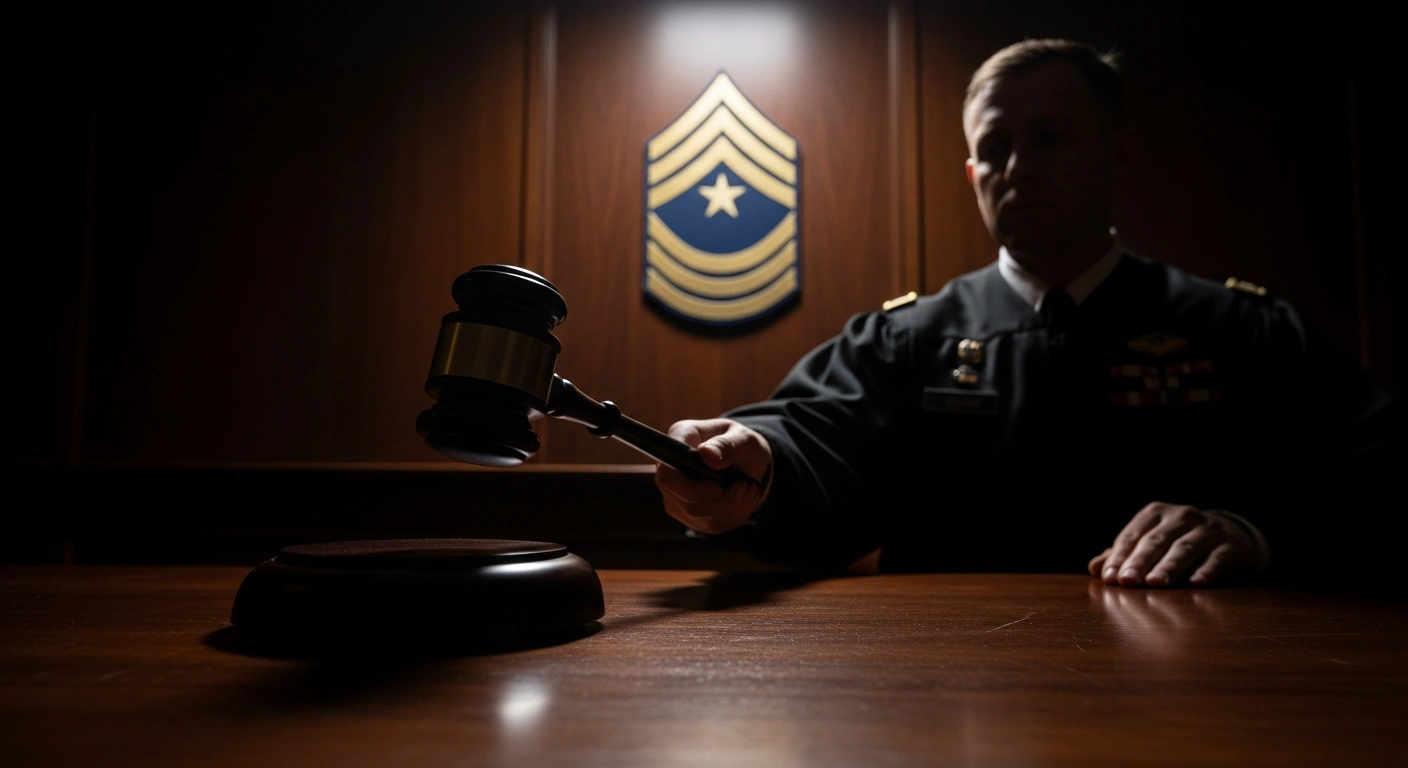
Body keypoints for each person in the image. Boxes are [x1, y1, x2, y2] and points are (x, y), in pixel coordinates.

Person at [653, 39, 1398, 588]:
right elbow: (814, 438)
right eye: (995, 148)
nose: (1019, 168)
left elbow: (1376, 475)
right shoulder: (906, 340)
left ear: (1117, 152)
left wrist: (1253, 533)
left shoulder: (1243, 331)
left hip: (1212, 681)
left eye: (1048, 138)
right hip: (957, 690)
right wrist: (754, 458)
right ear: (973, 174)